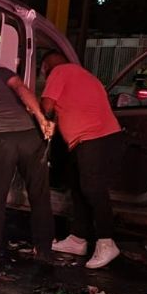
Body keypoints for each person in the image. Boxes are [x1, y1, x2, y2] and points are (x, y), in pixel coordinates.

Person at [41, 51, 123, 269]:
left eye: (42, 70)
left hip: (93, 137)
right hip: (92, 138)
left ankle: (106, 242)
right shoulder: (85, 76)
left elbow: (47, 105)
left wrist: (43, 119)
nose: (44, 74)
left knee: (93, 188)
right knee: (78, 187)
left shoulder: (60, 70)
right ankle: (78, 239)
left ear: (46, 66)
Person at [0, 66, 55, 267]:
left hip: (1, 140)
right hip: (30, 136)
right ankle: (44, 251)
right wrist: (41, 119)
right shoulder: (2, 73)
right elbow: (22, 89)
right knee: (40, 195)